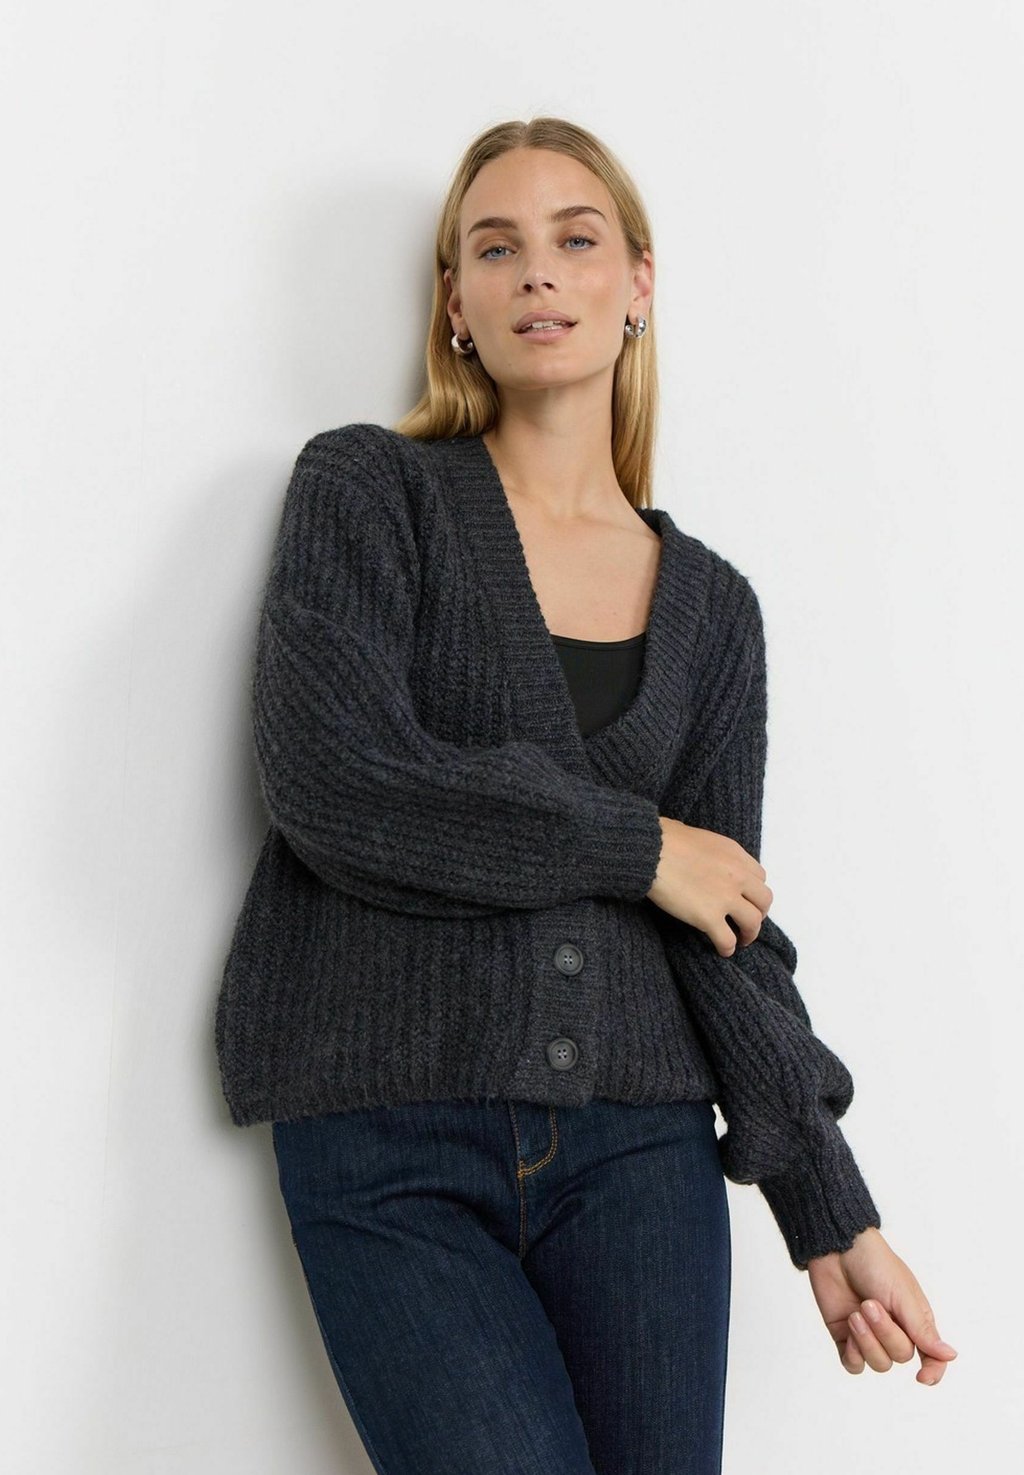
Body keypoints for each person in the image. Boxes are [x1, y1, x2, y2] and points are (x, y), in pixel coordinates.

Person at [214, 117, 957, 1474]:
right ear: (456, 302)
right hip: (391, 1142)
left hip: (641, 1161)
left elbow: (725, 925)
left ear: (637, 286)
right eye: (496, 248)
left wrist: (830, 1213)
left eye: (576, 239)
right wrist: (635, 843)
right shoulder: (370, 492)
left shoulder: (715, 610)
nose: (539, 273)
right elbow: (337, 782)